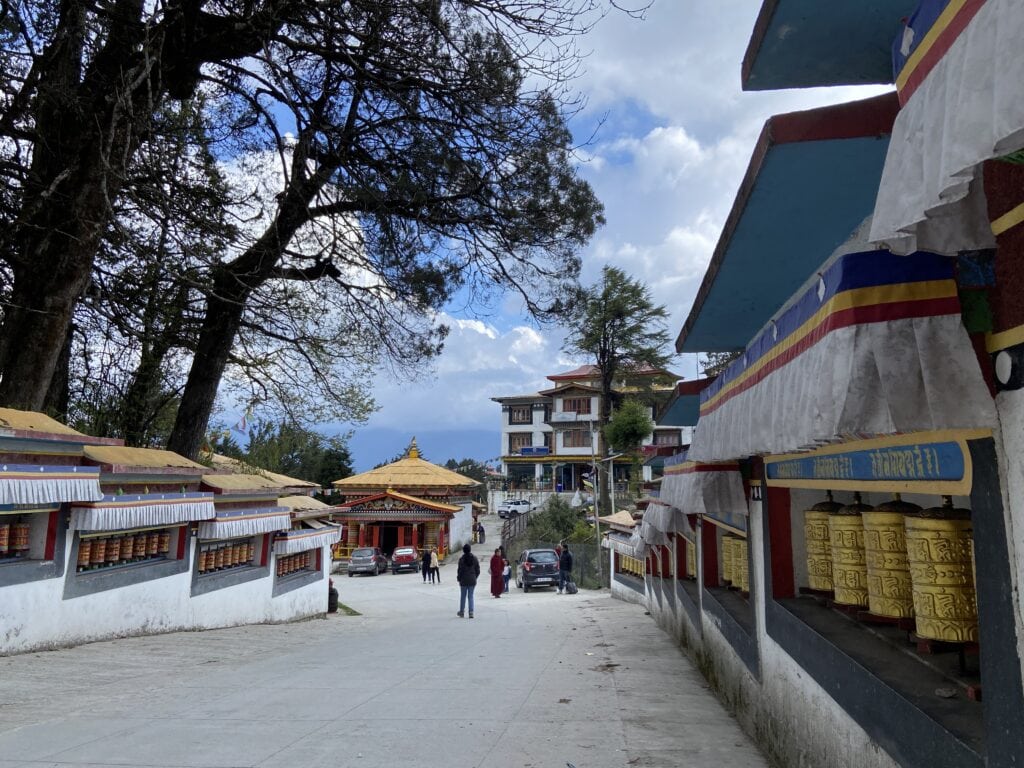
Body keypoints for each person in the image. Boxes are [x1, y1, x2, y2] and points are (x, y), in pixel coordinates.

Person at [456, 543, 480, 618]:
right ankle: (471, 612)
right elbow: (478, 570)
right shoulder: (475, 558)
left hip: (463, 580)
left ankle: (462, 612)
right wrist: (474, 577)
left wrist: (459, 578)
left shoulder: (461, 559)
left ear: (463, 550)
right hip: (472, 579)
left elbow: (459, 570)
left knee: (463, 596)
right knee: (471, 596)